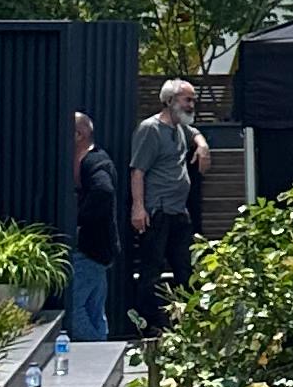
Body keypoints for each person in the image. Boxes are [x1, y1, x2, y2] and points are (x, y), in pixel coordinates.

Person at [125, 79, 206, 338]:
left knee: (186, 269)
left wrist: (202, 145)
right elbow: (138, 171)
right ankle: (149, 326)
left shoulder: (180, 128)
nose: (192, 105)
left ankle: (188, 323)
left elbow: (194, 132)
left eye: (193, 100)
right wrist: (138, 207)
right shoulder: (150, 129)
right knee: (152, 271)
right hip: (157, 211)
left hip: (179, 211)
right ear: (170, 101)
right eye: (187, 100)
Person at [67, 110, 120, 342]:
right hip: (100, 249)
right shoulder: (96, 159)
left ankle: (96, 349)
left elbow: (104, 190)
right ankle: (103, 352)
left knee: (73, 308)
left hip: (89, 248)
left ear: (78, 135)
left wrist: (78, 220)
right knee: (94, 309)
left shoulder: (95, 162)